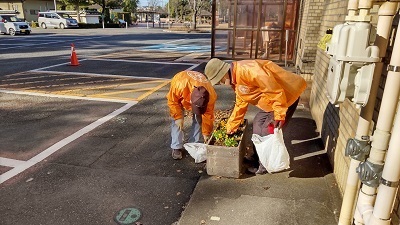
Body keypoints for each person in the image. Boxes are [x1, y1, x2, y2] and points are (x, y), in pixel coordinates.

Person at [204, 58, 307, 174]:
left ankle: (264, 165)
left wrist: (279, 115)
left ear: (223, 74)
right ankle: (255, 156)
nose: (219, 83)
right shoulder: (236, 79)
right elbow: (240, 104)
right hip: (270, 103)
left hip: (286, 97)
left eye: (219, 80)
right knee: (258, 122)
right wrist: (231, 126)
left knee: (266, 130)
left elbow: (274, 91)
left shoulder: (249, 71)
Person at [166, 70, 217, 160]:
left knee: (198, 118)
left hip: (192, 91)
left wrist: (206, 133)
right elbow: (172, 101)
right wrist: (178, 117)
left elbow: (208, 116)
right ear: (190, 100)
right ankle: (176, 146)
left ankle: (194, 144)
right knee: (176, 121)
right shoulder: (179, 84)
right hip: (182, 84)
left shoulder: (210, 96)